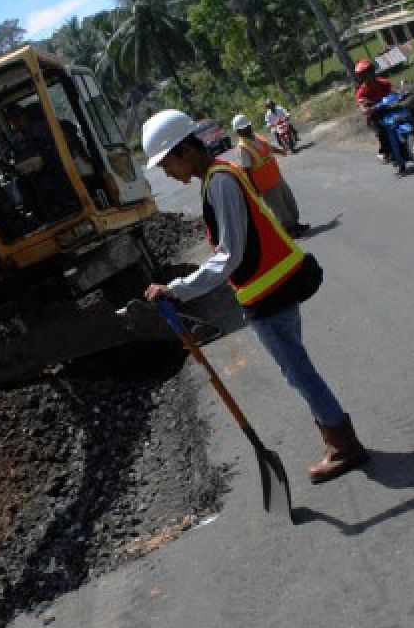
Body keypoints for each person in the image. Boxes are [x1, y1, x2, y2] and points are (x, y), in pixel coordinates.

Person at [140, 109, 368, 484]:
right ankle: (336, 437)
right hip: (271, 289)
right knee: (298, 371)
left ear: (183, 151)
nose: (167, 173)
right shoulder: (217, 177)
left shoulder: (219, 182)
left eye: (166, 164)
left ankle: (344, 444)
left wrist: (176, 289)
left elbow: (228, 255)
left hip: (269, 294)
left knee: (299, 373)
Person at [231, 113, 309, 239]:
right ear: (239, 131)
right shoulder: (242, 148)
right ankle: (290, 231)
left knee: (289, 201)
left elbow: (268, 147)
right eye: (245, 127)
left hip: (276, 177)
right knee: (279, 209)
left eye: (248, 125)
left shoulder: (256, 136)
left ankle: (296, 224)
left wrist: (281, 151)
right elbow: (246, 170)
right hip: (265, 185)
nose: (249, 127)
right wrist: (254, 188)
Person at [354, 59, 414, 164]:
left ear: (373, 71)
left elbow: (394, 90)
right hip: (376, 114)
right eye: (364, 74)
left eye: (369, 71)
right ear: (361, 77)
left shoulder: (383, 82)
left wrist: (404, 93)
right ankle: (386, 152)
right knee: (380, 129)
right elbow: (361, 104)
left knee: (410, 112)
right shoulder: (361, 92)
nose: (368, 76)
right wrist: (366, 108)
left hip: (390, 108)